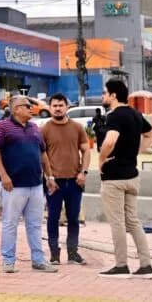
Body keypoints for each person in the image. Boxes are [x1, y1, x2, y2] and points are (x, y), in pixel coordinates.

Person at [0, 94, 57, 273]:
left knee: (35, 224)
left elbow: (43, 154)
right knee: (10, 223)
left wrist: (50, 177)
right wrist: (3, 175)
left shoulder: (35, 128)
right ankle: (8, 260)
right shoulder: (2, 127)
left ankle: (38, 260)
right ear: (16, 109)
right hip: (13, 185)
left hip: (35, 185)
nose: (31, 108)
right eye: (27, 106)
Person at [97, 79, 152, 279]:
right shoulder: (135, 114)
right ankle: (146, 265)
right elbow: (151, 134)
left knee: (117, 223)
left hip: (114, 178)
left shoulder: (114, 115)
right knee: (133, 221)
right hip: (132, 176)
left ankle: (121, 266)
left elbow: (110, 140)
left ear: (114, 95)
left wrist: (101, 160)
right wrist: (136, 152)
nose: (103, 96)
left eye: (105, 93)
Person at [40, 93, 90, 265]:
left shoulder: (77, 127)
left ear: (67, 107)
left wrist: (83, 172)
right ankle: (54, 253)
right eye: (54, 105)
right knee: (53, 218)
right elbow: (41, 155)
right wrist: (48, 177)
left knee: (74, 218)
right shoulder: (44, 129)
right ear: (49, 108)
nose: (58, 108)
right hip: (54, 183)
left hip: (74, 182)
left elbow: (86, 151)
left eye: (61, 105)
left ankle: (73, 252)